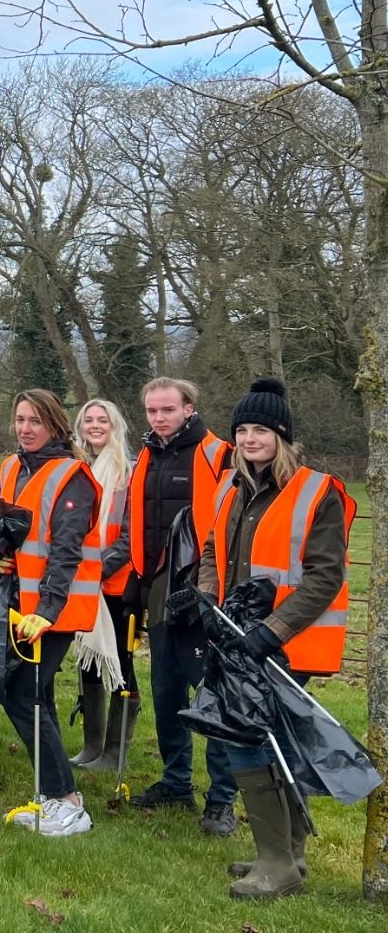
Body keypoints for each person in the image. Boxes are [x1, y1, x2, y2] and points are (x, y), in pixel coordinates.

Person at [197, 378, 351, 900]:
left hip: (285, 644)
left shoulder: (316, 490)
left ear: (281, 435)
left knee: (256, 744)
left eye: (259, 429)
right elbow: (213, 549)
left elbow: (325, 575)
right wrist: (204, 602)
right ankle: (287, 855)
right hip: (236, 639)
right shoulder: (232, 486)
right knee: (262, 743)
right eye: (241, 429)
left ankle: (278, 861)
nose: (247, 438)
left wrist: (273, 631)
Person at [103, 377, 238, 833]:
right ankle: (176, 782)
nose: (159, 418)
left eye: (168, 410)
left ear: (189, 408)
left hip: (206, 587)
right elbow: (140, 525)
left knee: (213, 694)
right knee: (165, 690)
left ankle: (222, 798)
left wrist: (212, 587)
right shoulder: (146, 458)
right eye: (152, 411)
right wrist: (138, 584)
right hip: (157, 585)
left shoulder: (218, 454)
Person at [0, 388, 102, 837]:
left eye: (35, 421)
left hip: (54, 607)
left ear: (56, 424)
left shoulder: (72, 476)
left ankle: (68, 801)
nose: (26, 428)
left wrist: (48, 609)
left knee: (24, 692)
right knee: (35, 696)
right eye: (20, 419)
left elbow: (66, 549)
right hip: (19, 604)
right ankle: (52, 793)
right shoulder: (12, 467)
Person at [70, 399, 136, 773]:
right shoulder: (80, 471)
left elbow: (129, 537)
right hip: (82, 585)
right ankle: (92, 746)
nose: (95, 426)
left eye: (102, 420)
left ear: (115, 425)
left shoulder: (129, 472)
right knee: (88, 663)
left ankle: (115, 752)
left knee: (120, 665)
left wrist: (95, 571)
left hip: (116, 586)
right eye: (88, 420)